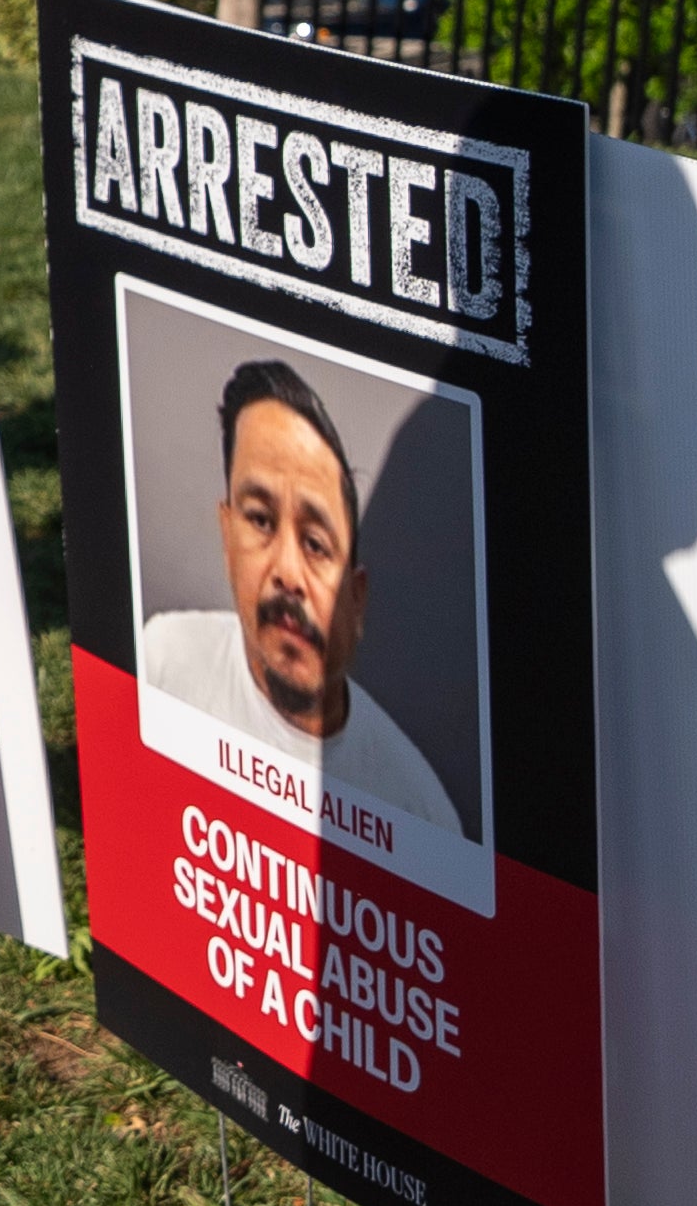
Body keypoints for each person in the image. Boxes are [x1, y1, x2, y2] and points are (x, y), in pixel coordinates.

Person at [138, 357, 460, 846]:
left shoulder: (421, 811)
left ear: (358, 601)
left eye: (315, 544)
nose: (287, 572)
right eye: (261, 521)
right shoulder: (162, 662)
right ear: (227, 535)